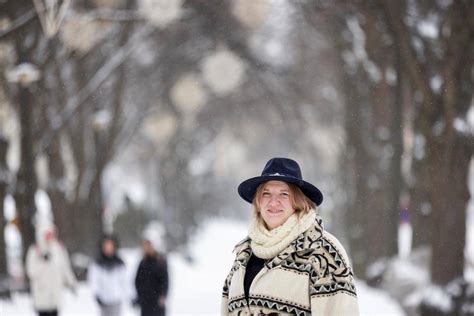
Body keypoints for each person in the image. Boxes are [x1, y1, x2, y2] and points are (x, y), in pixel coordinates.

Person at [221, 157, 360, 315]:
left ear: (299, 201)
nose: (273, 202)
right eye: (266, 193)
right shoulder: (244, 253)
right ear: (258, 202)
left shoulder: (324, 253)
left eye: (284, 194)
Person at [26, 224, 77, 316]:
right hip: (41, 294)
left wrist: (71, 282)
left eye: (52, 233)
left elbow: (65, 267)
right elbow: (31, 272)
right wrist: (43, 262)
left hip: (55, 294)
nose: (50, 237)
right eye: (48, 234)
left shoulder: (59, 249)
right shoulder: (35, 250)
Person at [88, 234, 128, 316]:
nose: (108, 248)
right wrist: (97, 295)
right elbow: (93, 281)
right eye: (106, 245)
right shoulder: (97, 263)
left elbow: (125, 282)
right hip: (103, 301)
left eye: (110, 245)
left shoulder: (120, 263)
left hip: (116, 300)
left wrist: (123, 295)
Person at [134, 232, 169, 316]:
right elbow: (137, 280)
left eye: (149, 245)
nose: (147, 248)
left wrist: (163, 295)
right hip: (145, 302)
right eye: (145, 246)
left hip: (157, 302)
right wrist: (139, 296)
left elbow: (165, 280)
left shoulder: (160, 262)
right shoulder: (143, 262)